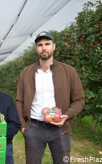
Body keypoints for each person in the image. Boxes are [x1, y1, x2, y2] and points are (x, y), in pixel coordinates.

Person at [16, 31, 85, 164]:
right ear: (36, 48)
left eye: (47, 44)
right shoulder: (26, 72)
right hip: (34, 128)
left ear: (54, 46)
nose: (44, 48)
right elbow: (19, 101)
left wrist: (66, 115)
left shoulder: (69, 71)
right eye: (40, 45)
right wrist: (23, 126)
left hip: (60, 128)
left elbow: (79, 100)